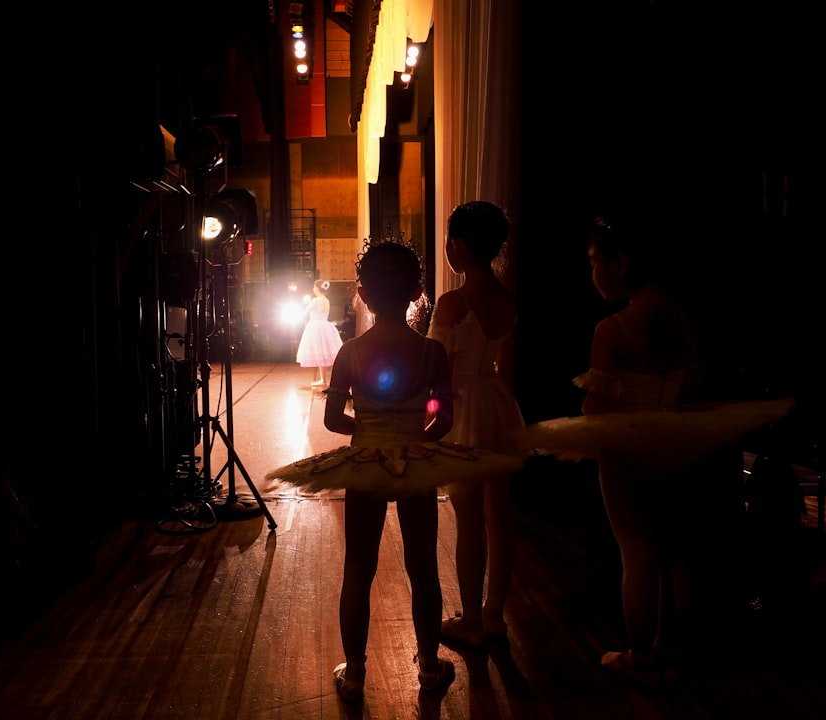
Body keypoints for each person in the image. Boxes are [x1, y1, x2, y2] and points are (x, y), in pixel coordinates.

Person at [516, 216, 794, 687]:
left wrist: (590, 403)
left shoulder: (612, 329)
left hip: (626, 444)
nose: (592, 274)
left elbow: (598, 403)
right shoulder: (680, 317)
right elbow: (695, 380)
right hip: (674, 436)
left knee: (637, 551)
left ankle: (640, 655)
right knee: (675, 553)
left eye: (593, 264)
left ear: (619, 264)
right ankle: (673, 647)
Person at [265, 240, 525, 703]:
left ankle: (355, 674)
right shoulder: (429, 353)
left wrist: (367, 430)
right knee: (423, 566)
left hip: (366, 461)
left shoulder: (349, 353)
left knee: (358, 567)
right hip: (413, 462)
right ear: (418, 291)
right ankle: (427, 666)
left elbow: (331, 421)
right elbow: (442, 420)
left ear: (362, 294)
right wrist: (416, 441)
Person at [427, 201, 526, 649]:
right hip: (498, 405)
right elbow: (504, 366)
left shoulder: (452, 303)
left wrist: (427, 413)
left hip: (462, 407)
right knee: (500, 516)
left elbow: (437, 370)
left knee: (468, 521)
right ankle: (494, 616)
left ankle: (469, 620)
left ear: (460, 245)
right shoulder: (507, 300)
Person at [295, 278, 344, 387]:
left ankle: (323, 379)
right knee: (322, 353)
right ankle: (323, 379)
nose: (313, 288)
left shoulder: (315, 300)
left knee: (319, 352)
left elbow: (305, 313)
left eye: (314, 287)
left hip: (315, 326)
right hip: (325, 326)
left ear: (317, 288)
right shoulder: (327, 300)